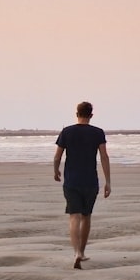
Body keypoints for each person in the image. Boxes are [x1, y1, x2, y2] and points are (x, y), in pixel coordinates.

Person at [53, 101, 111, 269]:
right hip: (90, 180)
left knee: (74, 216)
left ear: (76, 114)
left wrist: (56, 171)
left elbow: (57, 156)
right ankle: (83, 252)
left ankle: (76, 252)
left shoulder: (67, 132)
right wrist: (108, 181)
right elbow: (104, 157)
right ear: (91, 115)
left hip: (71, 180)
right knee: (86, 216)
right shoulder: (98, 133)